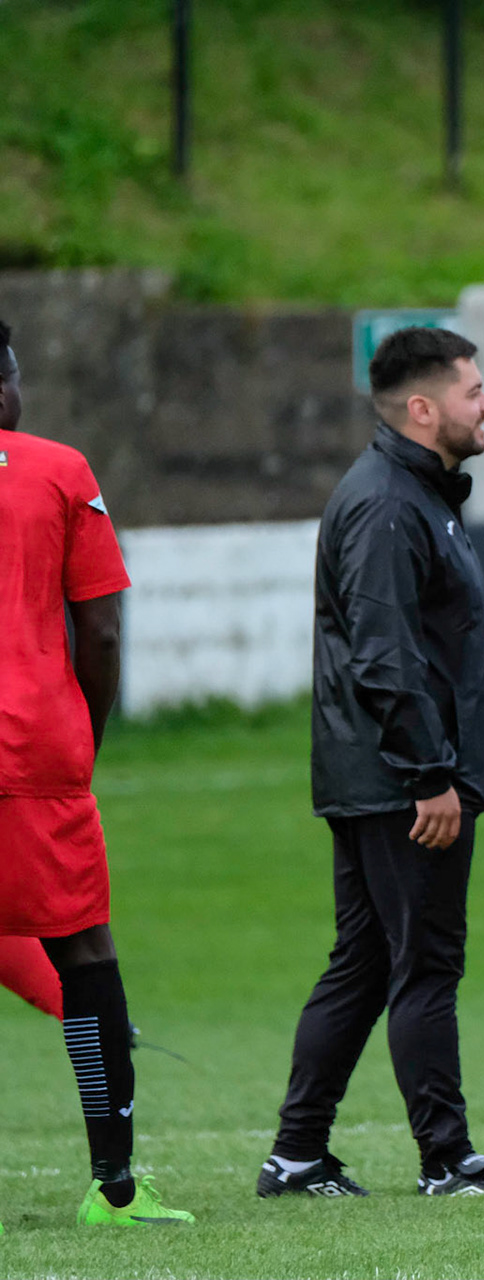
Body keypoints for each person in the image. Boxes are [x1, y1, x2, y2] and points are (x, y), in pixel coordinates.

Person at [260, 326, 484, 1199]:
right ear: (423, 409)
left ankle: (298, 1155)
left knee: (365, 961)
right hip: (403, 781)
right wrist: (430, 776)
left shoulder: (414, 492)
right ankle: (447, 1161)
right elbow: (386, 657)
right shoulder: (388, 503)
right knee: (424, 965)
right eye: (472, 391)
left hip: (380, 772)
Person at [0, 319, 196, 1229]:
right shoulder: (57, 471)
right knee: (83, 953)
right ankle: (114, 1186)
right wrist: (86, 729)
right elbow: (104, 629)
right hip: (32, 746)